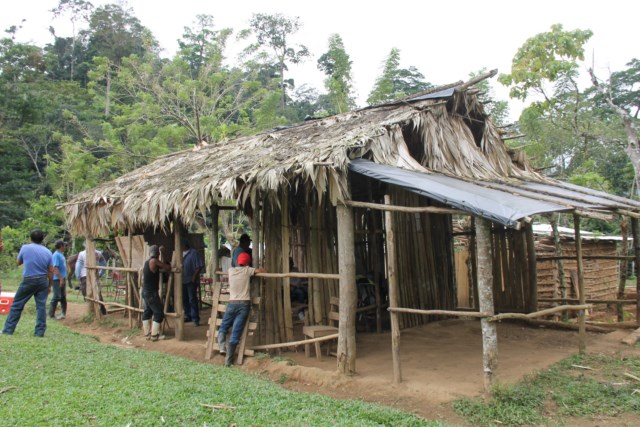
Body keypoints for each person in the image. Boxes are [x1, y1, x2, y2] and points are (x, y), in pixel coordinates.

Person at [218, 252, 266, 366]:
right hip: (244, 305)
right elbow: (261, 271)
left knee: (224, 326)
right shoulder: (247, 270)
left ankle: (221, 347)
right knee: (236, 331)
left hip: (232, 303)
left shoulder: (230, 270)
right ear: (247, 262)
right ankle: (228, 361)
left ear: (237, 261)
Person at [2, 229, 53, 337]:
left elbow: (18, 262)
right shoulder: (48, 252)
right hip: (43, 280)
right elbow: (50, 271)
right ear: (42, 239)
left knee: (17, 305)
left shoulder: (25, 248)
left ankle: (8, 330)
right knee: (41, 306)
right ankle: (39, 333)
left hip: (29, 279)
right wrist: (50, 285)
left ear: (30, 238)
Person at [142, 245, 172, 341]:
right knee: (159, 313)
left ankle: (147, 334)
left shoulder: (147, 262)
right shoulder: (154, 261)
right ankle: (154, 335)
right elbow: (167, 267)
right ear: (157, 254)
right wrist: (164, 254)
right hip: (151, 293)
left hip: (145, 291)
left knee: (147, 312)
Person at [75, 245, 107, 314]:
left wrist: (78, 276)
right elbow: (104, 263)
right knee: (98, 292)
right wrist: (101, 273)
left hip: (85, 276)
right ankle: (103, 311)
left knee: (85, 292)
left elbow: (78, 266)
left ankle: (91, 310)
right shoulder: (98, 253)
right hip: (95, 275)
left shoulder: (82, 253)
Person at [182, 240, 204, 326]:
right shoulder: (179, 253)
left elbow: (199, 266)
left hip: (191, 280)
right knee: (185, 299)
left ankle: (195, 318)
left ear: (185, 245)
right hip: (182, 280)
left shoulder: (194, 253)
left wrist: (194, 277)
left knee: (192, 299)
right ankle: (188, 315)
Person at [49, 240, 68, 320]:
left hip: (62, 278)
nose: (65, 247)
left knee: (63, 296)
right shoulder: (56, 255)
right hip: (57, 279)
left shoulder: (61, 255)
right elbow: (55, 268)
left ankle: (63, 313)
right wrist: (60, 278)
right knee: (56, 296)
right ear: (61, 246)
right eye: (64, 245)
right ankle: (51, 315)